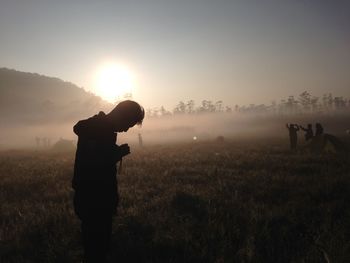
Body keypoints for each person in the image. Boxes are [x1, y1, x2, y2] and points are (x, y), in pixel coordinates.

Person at [72, 100, 144, 263]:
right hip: (92, 196)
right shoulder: (97, 127)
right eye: (128, 123)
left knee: (98, 245)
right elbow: (93, 160)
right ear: (121, 115)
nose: (126, 129)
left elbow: (97, 154)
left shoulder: (103, 128)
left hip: (100, 196)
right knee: (95, 246)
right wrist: (116, 153)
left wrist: (115, 152)